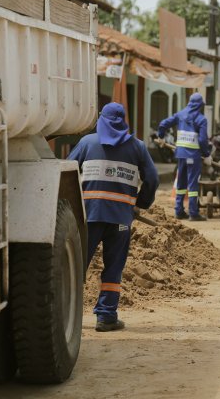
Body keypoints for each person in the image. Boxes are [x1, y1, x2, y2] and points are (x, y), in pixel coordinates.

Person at [68, 102, 159, 332]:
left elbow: (67, 170)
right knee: (114, 267)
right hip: (120, 219)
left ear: (102, 119)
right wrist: (141, 203)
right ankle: (106, 317)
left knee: (76, 266)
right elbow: (152, 179)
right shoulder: (137, 147)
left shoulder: (87, 143)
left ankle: (67, 316)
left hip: (89, 216)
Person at [157, 93, 212, 221]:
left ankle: (179, 210)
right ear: (200, 105)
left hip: (181, 154)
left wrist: (161, 136)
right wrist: (207, 154)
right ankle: (193, 212)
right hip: (193, 155)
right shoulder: (201, 119)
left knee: (181, 182)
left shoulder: (180, 114)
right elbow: (203, 140)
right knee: (193, 184)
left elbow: (163, 123)